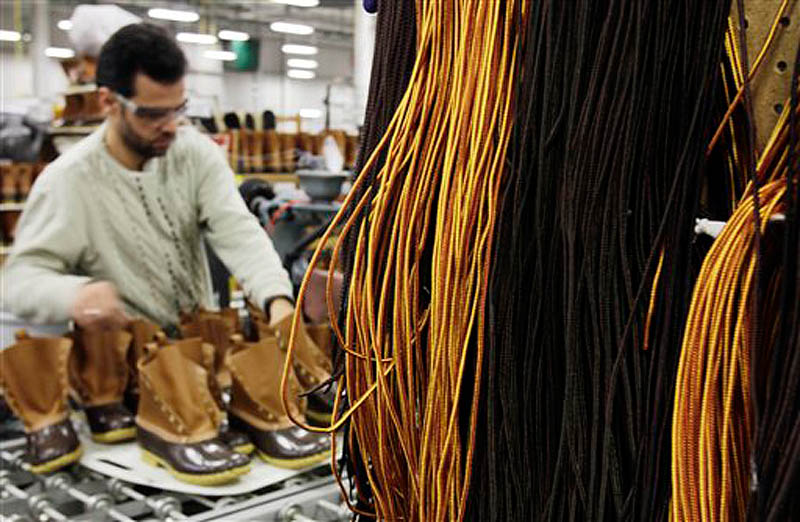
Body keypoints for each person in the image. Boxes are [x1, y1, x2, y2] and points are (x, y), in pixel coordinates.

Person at [3, 23, 295, 331]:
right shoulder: (70, 180)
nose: (171, 126)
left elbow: (238, 232)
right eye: (153, 114)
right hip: (122, 368)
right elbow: (21, 279)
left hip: (198, 357)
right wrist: (75, 295)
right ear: (108, 103)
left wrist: (276, 298)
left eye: (177, 109)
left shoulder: (195, 154)